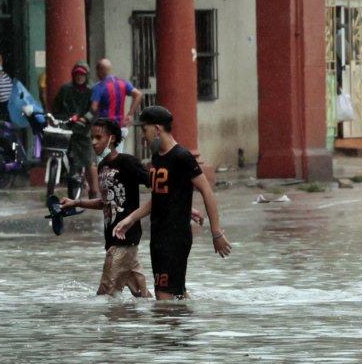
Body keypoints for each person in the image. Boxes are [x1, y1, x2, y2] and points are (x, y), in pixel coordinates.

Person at [112, 105, 232, 300]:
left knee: (163, 299)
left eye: (144, 129)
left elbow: (206, 191)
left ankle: (179, 328)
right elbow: (159, 197)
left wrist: (216, 233)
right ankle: (188, 326)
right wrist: (131, 219)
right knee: (176, 296)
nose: (143, 135)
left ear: (157, 129)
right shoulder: (157, 157)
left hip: (175, 238)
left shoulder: (182, 157)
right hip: (158, 236)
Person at [59, 118, 151, 298]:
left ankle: (111, 326)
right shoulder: (102, 166)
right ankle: (165, 315)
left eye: (98, 137)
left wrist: (182, 206)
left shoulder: (127, 162)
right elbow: (105, 202)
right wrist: (76, 202)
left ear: (112, 138)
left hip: (123, 239)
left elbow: (157, 185)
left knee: (104, 295)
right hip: (113, 239)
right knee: (142, 296)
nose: (93, 142)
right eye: (91, 138)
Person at [52, 61, 100, 197]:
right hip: (66, 127)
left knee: (88, 160)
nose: (80, 77)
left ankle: (93, 190)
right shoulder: (65, 89)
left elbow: (94, 110)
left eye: (82, 75)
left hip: (83, 128)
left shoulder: (91, 92)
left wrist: (84, 119)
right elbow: (56, 108)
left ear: (86, 76)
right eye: (77, 74)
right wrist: (61, 118)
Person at [90, 58, 140, 132]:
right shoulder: (123, 83)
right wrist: (130, 114)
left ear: (99, 71)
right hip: (120, 126)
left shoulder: (98, 87)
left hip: (105, 127)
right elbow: (138, 94)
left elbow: (94, 108)